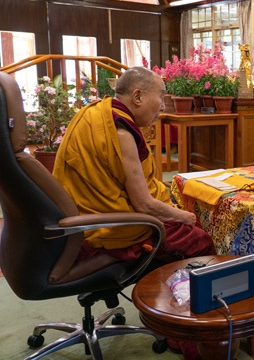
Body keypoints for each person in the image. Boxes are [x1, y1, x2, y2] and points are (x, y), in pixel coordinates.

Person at [53, 66, 216, 266]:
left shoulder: (97, 113)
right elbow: (144, 205)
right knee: (200, 241)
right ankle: (181, 295)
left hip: (83, 215)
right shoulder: (121, 133)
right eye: (161, 97)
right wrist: (184, 216)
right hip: (111, 226)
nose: (163, 107)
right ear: (138, 97)